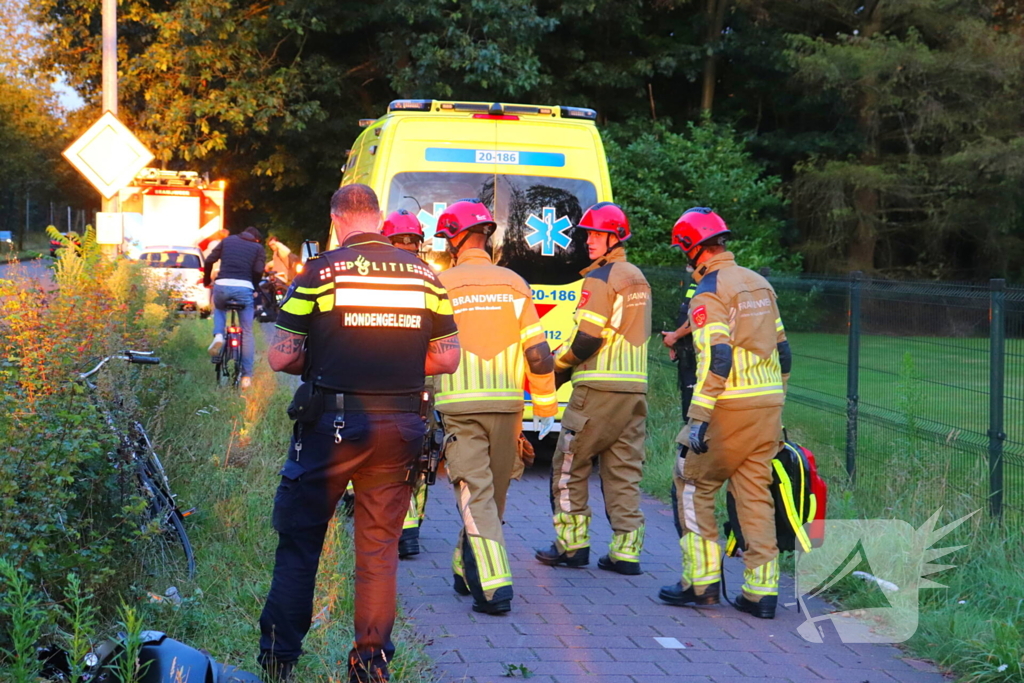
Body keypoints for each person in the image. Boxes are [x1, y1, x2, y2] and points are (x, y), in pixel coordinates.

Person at [257, 184, 460, 683]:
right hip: (401, 428)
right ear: (379, 217)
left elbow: (281, 355)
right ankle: (371, 665)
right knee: (379, 550)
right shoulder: (425, 275)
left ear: (336, 220)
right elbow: (447, 358)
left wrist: (324, 357)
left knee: (301, 541)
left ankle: (279, 661)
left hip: (330, 428)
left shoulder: (319, 272)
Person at [658, 207, 791, 620]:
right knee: (754, 493)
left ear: (692, 247)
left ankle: (701, 583)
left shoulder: (709, 291)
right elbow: (784, 351)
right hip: (768, 405)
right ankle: (761, 592)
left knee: (691, 482)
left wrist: (699, 417)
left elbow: (718, 356)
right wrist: (777, 401)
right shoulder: (760, 283)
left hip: (728, 405)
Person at [433, 199, 557, 614]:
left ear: (453, 240)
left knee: (476, 495)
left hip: (459, 407)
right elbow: (538, 353)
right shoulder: (515, 283)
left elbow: (425, 349)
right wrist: (545, 406)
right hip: (508, 408)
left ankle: (493, 588)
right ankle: (464, 568)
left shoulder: (441, 284)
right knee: (492, 497)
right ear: (486, 237)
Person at [535, 202, 652, 576]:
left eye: (598, 234)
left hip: (597, 389)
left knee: (569, 465)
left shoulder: (601, 278)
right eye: (587, 234)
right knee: (624, 471)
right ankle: (626, 552)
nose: (589, 240)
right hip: (634, 391)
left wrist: (559, 366)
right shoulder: (638, 278)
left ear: (615, 238)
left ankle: (572, 546)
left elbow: (588, 338)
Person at [382, 209, 431, 558]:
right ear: (417, 242)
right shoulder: (430, 276)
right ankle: (413, 525)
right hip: (423, 378)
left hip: (383, 376)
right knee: (420, 452)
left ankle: (400, 523)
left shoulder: (373, 274)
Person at [204, 226, 265, 390]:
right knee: (247, 331)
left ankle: (218, 335)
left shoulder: (227, 241)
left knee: (219, 308)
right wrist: (254, 286)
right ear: (256, 239)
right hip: (244, 289)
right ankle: (246, 376)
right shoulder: (258, 247)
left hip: (222, 285)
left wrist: (206, 281)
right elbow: (258, 270)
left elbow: (209, 260)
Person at [661, 279, 698, 421]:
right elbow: (687, 315)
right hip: (686, 355)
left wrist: (675, 336)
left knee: (694, 413)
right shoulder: (695, 283)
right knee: (687, 409)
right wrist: (678, 343)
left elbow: (699, 318)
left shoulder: (711, 283)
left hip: (697, 358)